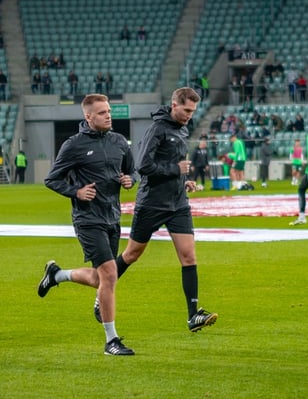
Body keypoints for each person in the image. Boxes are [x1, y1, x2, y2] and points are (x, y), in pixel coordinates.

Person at [108, 87, 218, 333]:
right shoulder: (157, 129)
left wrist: (183, 181)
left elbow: (175, 167)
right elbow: (143, 165)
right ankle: (102, 291)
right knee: (132, 254)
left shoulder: (182, 129)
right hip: (152, 204)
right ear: (174, 104)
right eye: (187, 110)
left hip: (178, 204)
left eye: (193, 111)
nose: (190, 115)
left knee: (189, 256)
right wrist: (175, 170)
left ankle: (193, 316)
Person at [38, 94, 136, 356]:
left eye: (109, 111)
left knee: (99, 278)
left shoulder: (119, 142)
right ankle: (111, 340)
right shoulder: (74, 145)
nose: (108, 115)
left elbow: (132, 171)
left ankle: (57, 275)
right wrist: (76, 192)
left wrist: (129, 180)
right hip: (87, 219)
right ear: (88, 117)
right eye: (102, 112)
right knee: (110, 275)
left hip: (112, 217)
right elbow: (52, 179)